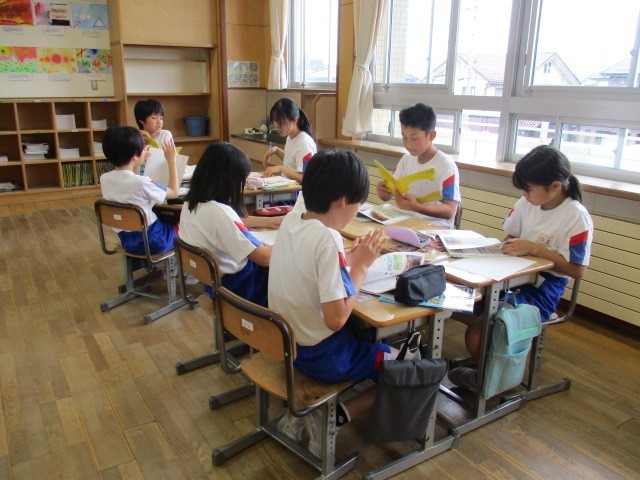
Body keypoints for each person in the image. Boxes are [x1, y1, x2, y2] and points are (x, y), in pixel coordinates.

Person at [268, 149, 416, 455]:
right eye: (358, 203)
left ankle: (299, 416)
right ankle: (332, 416)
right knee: (407, 362)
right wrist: (360, 265)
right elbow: (336, 320)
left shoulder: (293, 220)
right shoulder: (328, 239)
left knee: (369, 337)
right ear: (343, 201)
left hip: (287, 345)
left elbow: (309, 262)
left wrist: (347, 257)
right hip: (324, 356)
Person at [449, 145, 594, 390]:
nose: (525, 195)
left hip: (542, 290)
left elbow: (578, 270)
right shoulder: (527, 202)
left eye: (529, 189)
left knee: (479, 332)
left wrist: (536, 248)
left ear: (555, 187)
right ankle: (488, 362)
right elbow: (510, 237)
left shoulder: (576, 216)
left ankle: (488, 379)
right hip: (510, 276)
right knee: (453, 304)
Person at [178, 142, 275, 307]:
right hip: (242, 289)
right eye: (242, 180)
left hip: (215, 285)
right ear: (228, 181)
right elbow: (264, 258)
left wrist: (271, 221)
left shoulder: (190, 204)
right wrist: (286, 238)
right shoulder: (221, 214)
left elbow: (232, 224)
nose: (243, 186)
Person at [376, 103, 460, 228]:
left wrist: (417, 207)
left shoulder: (446, 166)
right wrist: (384, 193)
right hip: (406, 223)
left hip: (434, 230)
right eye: (404, 137)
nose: (408, 144)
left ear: (431, 136)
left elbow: (450, 211)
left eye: (414, 138)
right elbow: (392, 192)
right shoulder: (406, 160)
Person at [100, 125, 179, 255]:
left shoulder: (104, 179)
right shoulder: (142, 182)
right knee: (184, 226)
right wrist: (172, 161)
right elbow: (174, 193)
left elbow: (131, 180)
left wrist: (139, 161)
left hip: (127, 241)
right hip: (154, 240)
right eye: (143, 148)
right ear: (134, 156)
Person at [261, 97, 316, 183]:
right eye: (275, 121)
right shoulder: (290, 137)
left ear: (295, 120)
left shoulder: (304, 142)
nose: (277, 127)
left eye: (281, 123)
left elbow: (305, 178)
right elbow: (292, 162)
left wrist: (281, 168)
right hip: (288, 186)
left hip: (298, 191)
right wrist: (276, 150)